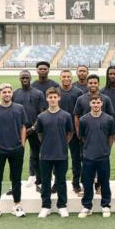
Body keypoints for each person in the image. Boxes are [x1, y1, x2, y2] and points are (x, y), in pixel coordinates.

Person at [0, 83, 27, 220]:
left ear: (12, 94)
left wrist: (22, 145)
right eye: (4, 92)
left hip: (16, 149)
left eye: (9, 92)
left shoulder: (19, 108)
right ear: (0, 94)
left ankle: (17, 205)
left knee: (16, 178)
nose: (7, 94)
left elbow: (23, 127)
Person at [36, 87, 73, 218]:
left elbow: (69, 133)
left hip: (61, 153)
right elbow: (40, 135)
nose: (52, 99)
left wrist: (62, 144)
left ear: (59, 98)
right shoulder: (41, 117)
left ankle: (62, 206)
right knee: (45, 181)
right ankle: (46, 206)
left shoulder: (66, 115)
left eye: (54, 97)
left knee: (61, 181)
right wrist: (47, 145)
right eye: (50, 97)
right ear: (47, 99)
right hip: (45, 154)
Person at [78, 94, 115, 218]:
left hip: (103, 156)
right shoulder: (83, 119)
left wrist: (106, 149)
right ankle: (87, 206)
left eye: (98, 102)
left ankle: (105, 205)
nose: (95, 105)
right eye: (93, 102)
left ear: (101, 104)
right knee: (87, 182)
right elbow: (82, 136)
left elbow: (111, 136)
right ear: (90, 104)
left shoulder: (109, 119)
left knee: (104, 181)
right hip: (88, 156)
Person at [12, 70, 46, 191]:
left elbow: (42, 113)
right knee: (15, 157)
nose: (25, 79)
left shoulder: (38, 93)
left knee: (37, 156)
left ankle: (39, 182)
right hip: (18, 130)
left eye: (27, 77)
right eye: (23, 77)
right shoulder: (15, 94)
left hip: (34, 130)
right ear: (19, 79)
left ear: (30, 78)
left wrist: (33, 127)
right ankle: (14, 185)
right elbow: (12, 113)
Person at [58, 69, 84, 195]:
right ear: (60, 78)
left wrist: (78, 130)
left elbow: (79, 112)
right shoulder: (56, 91)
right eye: (64, 76)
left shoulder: (78, 92)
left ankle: (76, 183)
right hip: (58, 131)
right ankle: (57, 182)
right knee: (58, 158)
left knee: (76, 158)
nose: (66, 78)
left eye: (69, 76)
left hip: (73, 131)